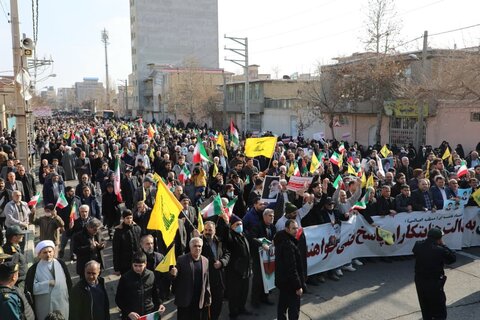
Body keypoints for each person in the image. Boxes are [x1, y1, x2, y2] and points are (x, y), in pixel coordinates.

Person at [412, 228, 457, 320]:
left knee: (425, 305)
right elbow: (452, 259)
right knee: (439, 307)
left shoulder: (418, 244)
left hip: (420, 280)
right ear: (439, 239)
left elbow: (415, 251)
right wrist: (444, 245)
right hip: (434, 282)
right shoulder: (440, 250)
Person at [25, 240, 72, 320]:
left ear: (54, 252)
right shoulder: (34, 269)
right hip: (44, 303)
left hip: (61, 300)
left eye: (50, 252)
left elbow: (68, 283)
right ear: (39, 254)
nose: (48, 255)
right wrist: (47, 283)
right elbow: (31, 288)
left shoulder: (61, 263)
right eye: (45, 252)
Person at [115, 251, 165, 320]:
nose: (138, 268)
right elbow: (119, 299)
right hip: (132, 316)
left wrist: (160, 304)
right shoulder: (125, 278)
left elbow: (156, 294)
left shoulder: (151, 275)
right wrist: (128, 312)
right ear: (132, 264)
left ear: (145, 264)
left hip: (149, 314)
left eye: (140, 266)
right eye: (135, 265)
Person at [170, 237, 211, 320]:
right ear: (190, 247)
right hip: (185, 300)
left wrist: (208, 297)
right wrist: (174, 273)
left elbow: (206, 281)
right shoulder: (181, 259)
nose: (197, 248)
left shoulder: (205, 261)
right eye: (195, 246)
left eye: (199, 246)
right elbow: (175, 276)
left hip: (199, 300)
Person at [274, 219, 305, 320]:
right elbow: (291, 268)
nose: (296, 231)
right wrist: (297, 286)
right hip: (290, 284)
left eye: (297, 228)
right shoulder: (288, 245)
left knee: (282, 307)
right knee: (293, 310)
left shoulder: (281, 239)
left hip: (283, 282)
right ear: (287, 229)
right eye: (293, 229)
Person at [200, 221, 230, 320]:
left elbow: (227, 254)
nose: (208, 232)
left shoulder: (220, 241)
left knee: (217, 304)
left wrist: (222, 262)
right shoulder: (199, 242)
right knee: (206, 307)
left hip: (219, 279)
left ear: (214, 230)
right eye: (206, 230)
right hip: (206, 280)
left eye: (210, 230)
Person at [113, 210, 142, 275]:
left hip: (137, 261)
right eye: (127, 218)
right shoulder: (118, 232)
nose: (129, 220)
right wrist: (117, 268)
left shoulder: (137, 228)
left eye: (131, 218)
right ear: (123, 219)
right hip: (125, 264)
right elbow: (116, 250)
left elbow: (141, 245)